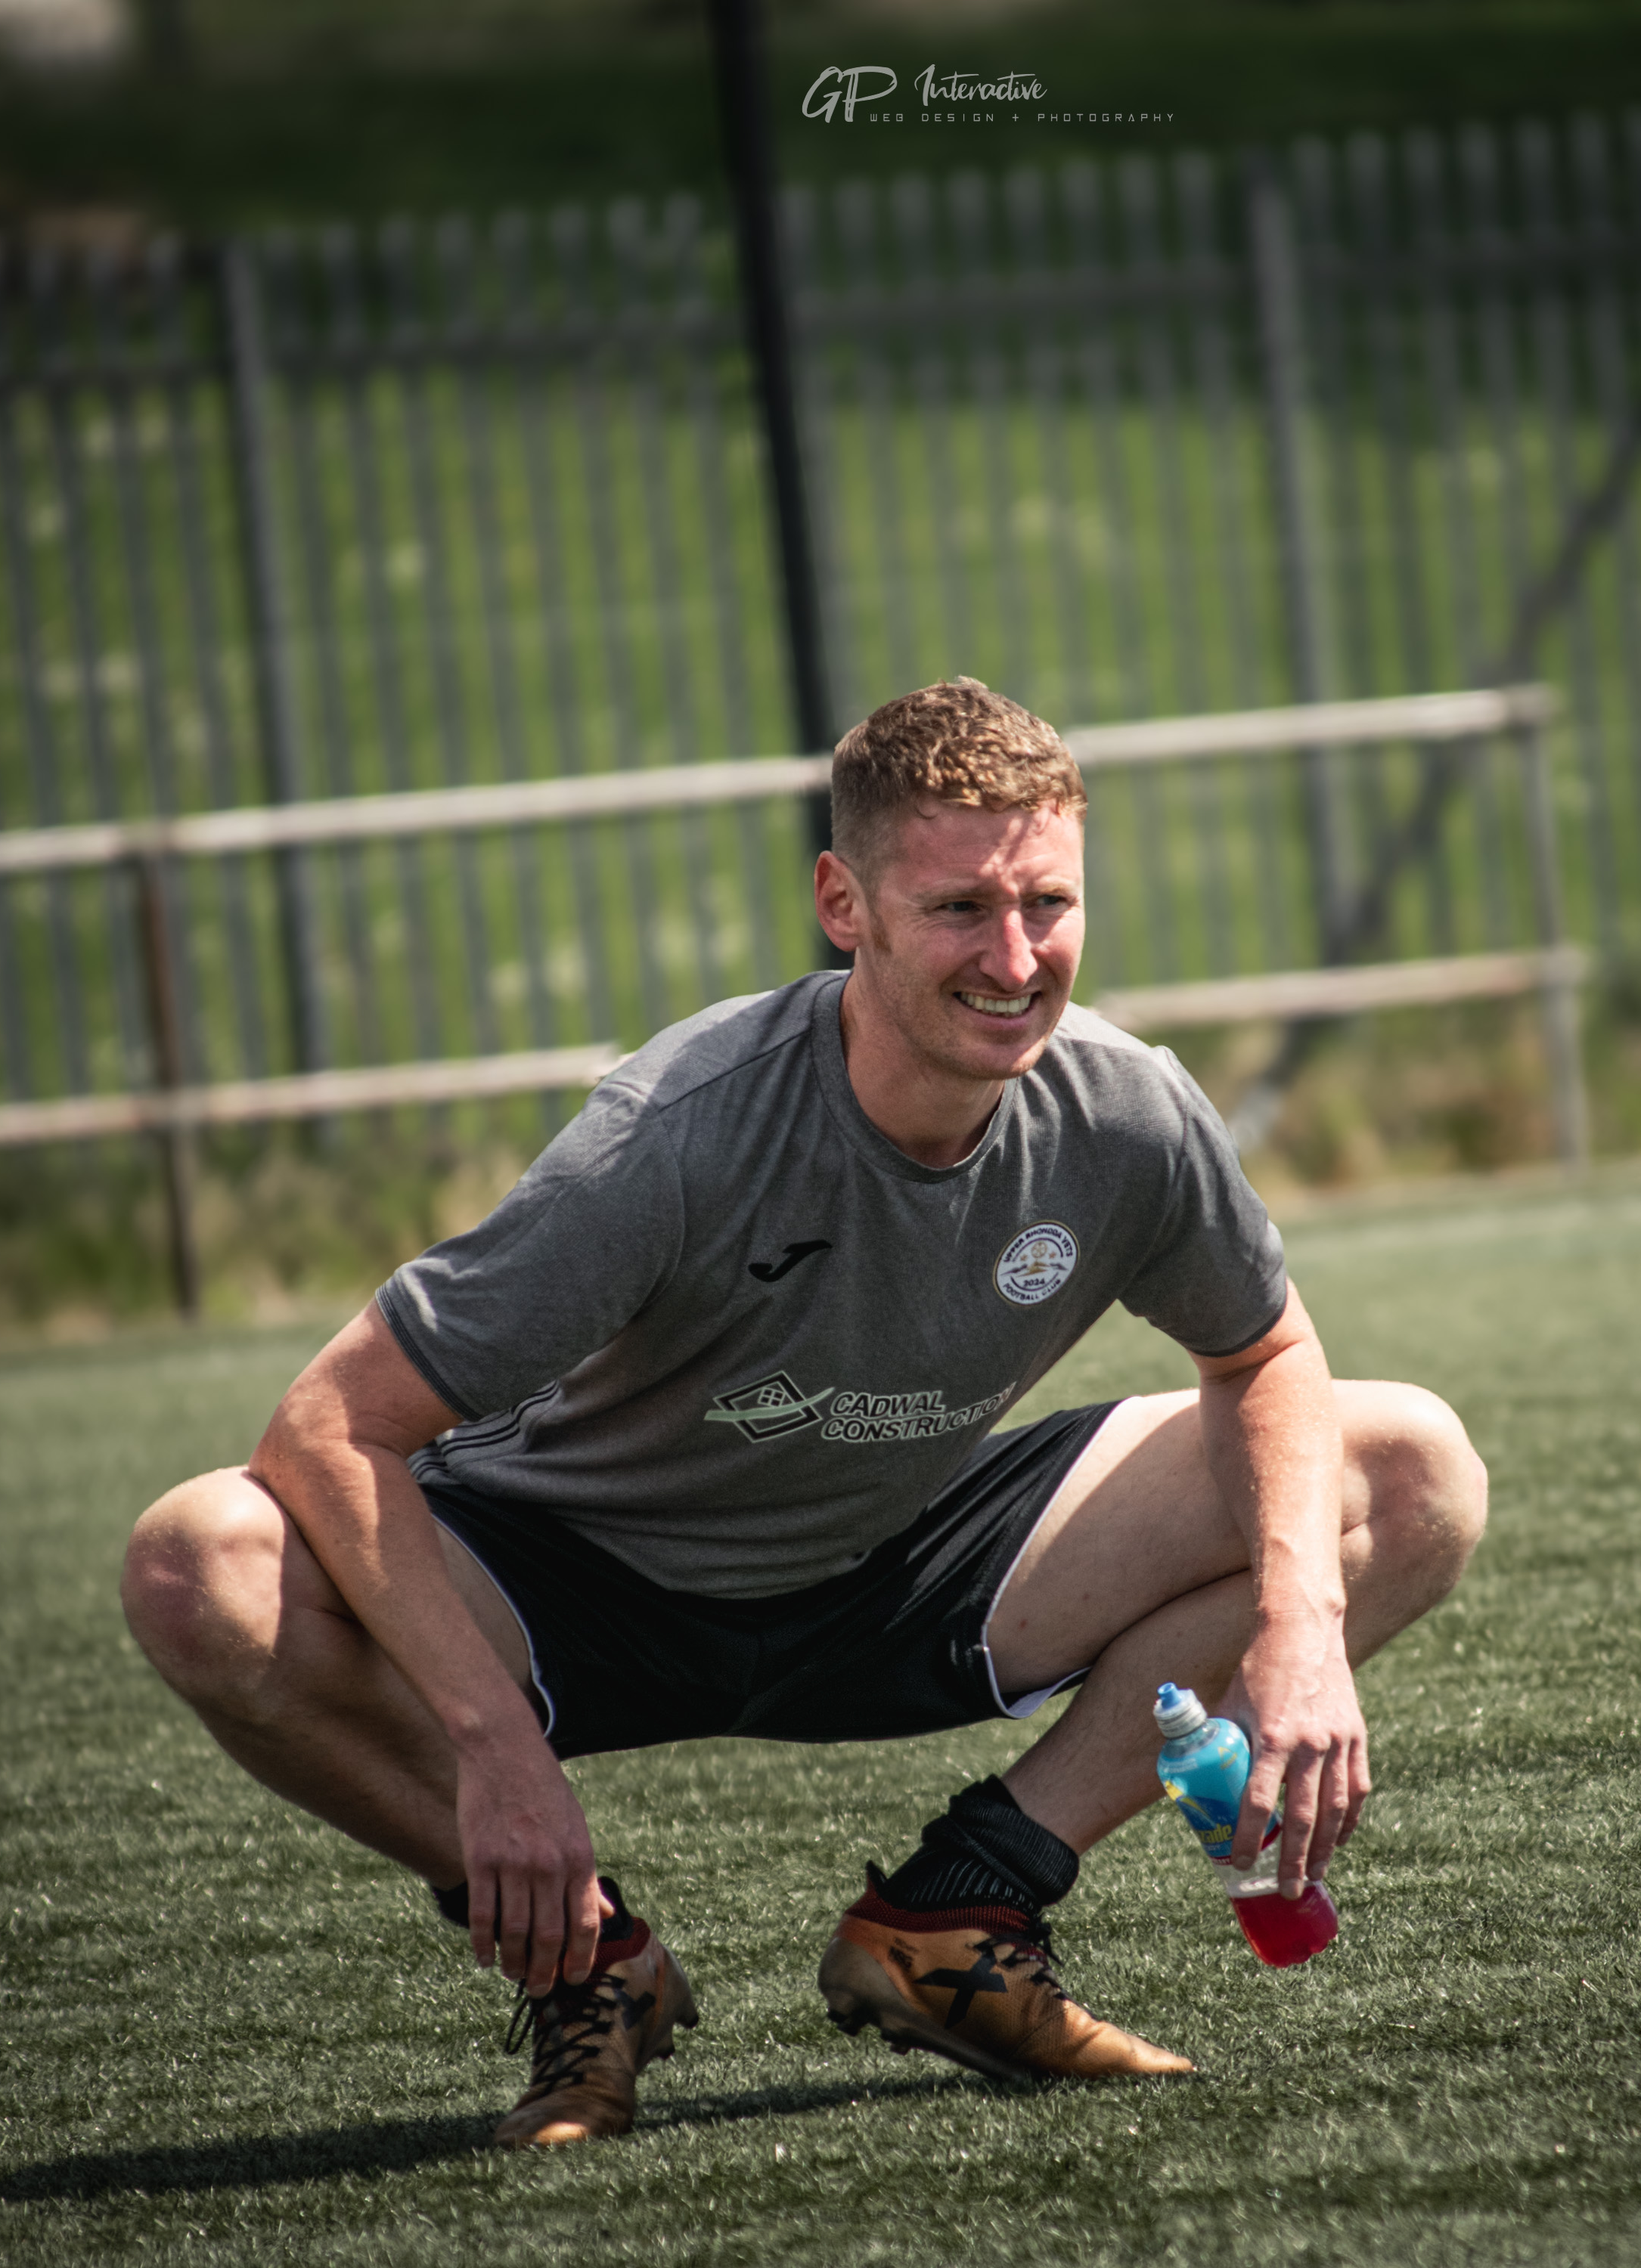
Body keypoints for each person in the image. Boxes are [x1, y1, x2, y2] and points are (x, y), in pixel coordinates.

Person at [122, 677, 1487, 2146]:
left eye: (1048, 903)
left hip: (901, 1564)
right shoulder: (678, 1135)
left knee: (1404, 1469)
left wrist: (1296, 1625)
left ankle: (962, 1913)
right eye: (961, 907)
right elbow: (328, 1426)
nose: (1016, 956)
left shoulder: (1124, 1114)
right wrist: (489, 1751)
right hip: (573, 1596)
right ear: (845, 903)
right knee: (198, 1559)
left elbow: (1263, 1356)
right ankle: (589, 1962)